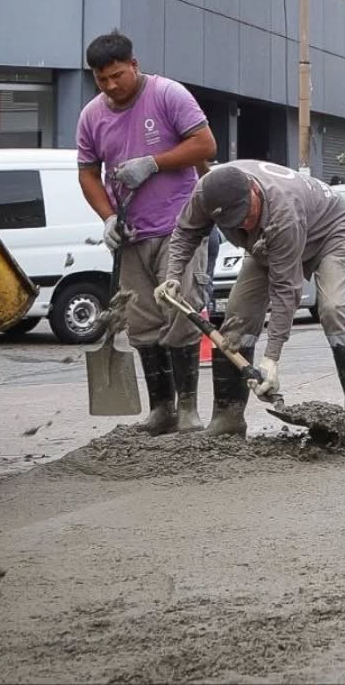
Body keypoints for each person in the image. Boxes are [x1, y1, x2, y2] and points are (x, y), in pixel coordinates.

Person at [153, 161, 345, 443]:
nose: (243, 224)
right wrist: (173, 276)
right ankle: (228, 418)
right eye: (235, 224)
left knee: (332, 308)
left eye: (246, 216)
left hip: (328, 229)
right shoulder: (206, 194)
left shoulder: (283, 211)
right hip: (266, 242)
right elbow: (186, 232)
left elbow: (286, 290)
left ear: (253, 192)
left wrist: (271, 359)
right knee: (236, 318)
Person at [76, 31, 217, 435]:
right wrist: (107, 217)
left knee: (182, 311)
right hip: (131, 234)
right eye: (101, 80)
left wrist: (154, 163)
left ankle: (188, 408)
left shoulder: (168, 94)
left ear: (134, 65)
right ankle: (162, 409)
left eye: (117, 76)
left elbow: (205, 144)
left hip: (179, 226)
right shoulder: (92, 116)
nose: (111, 86)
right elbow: (87, 171)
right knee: (141, 322)